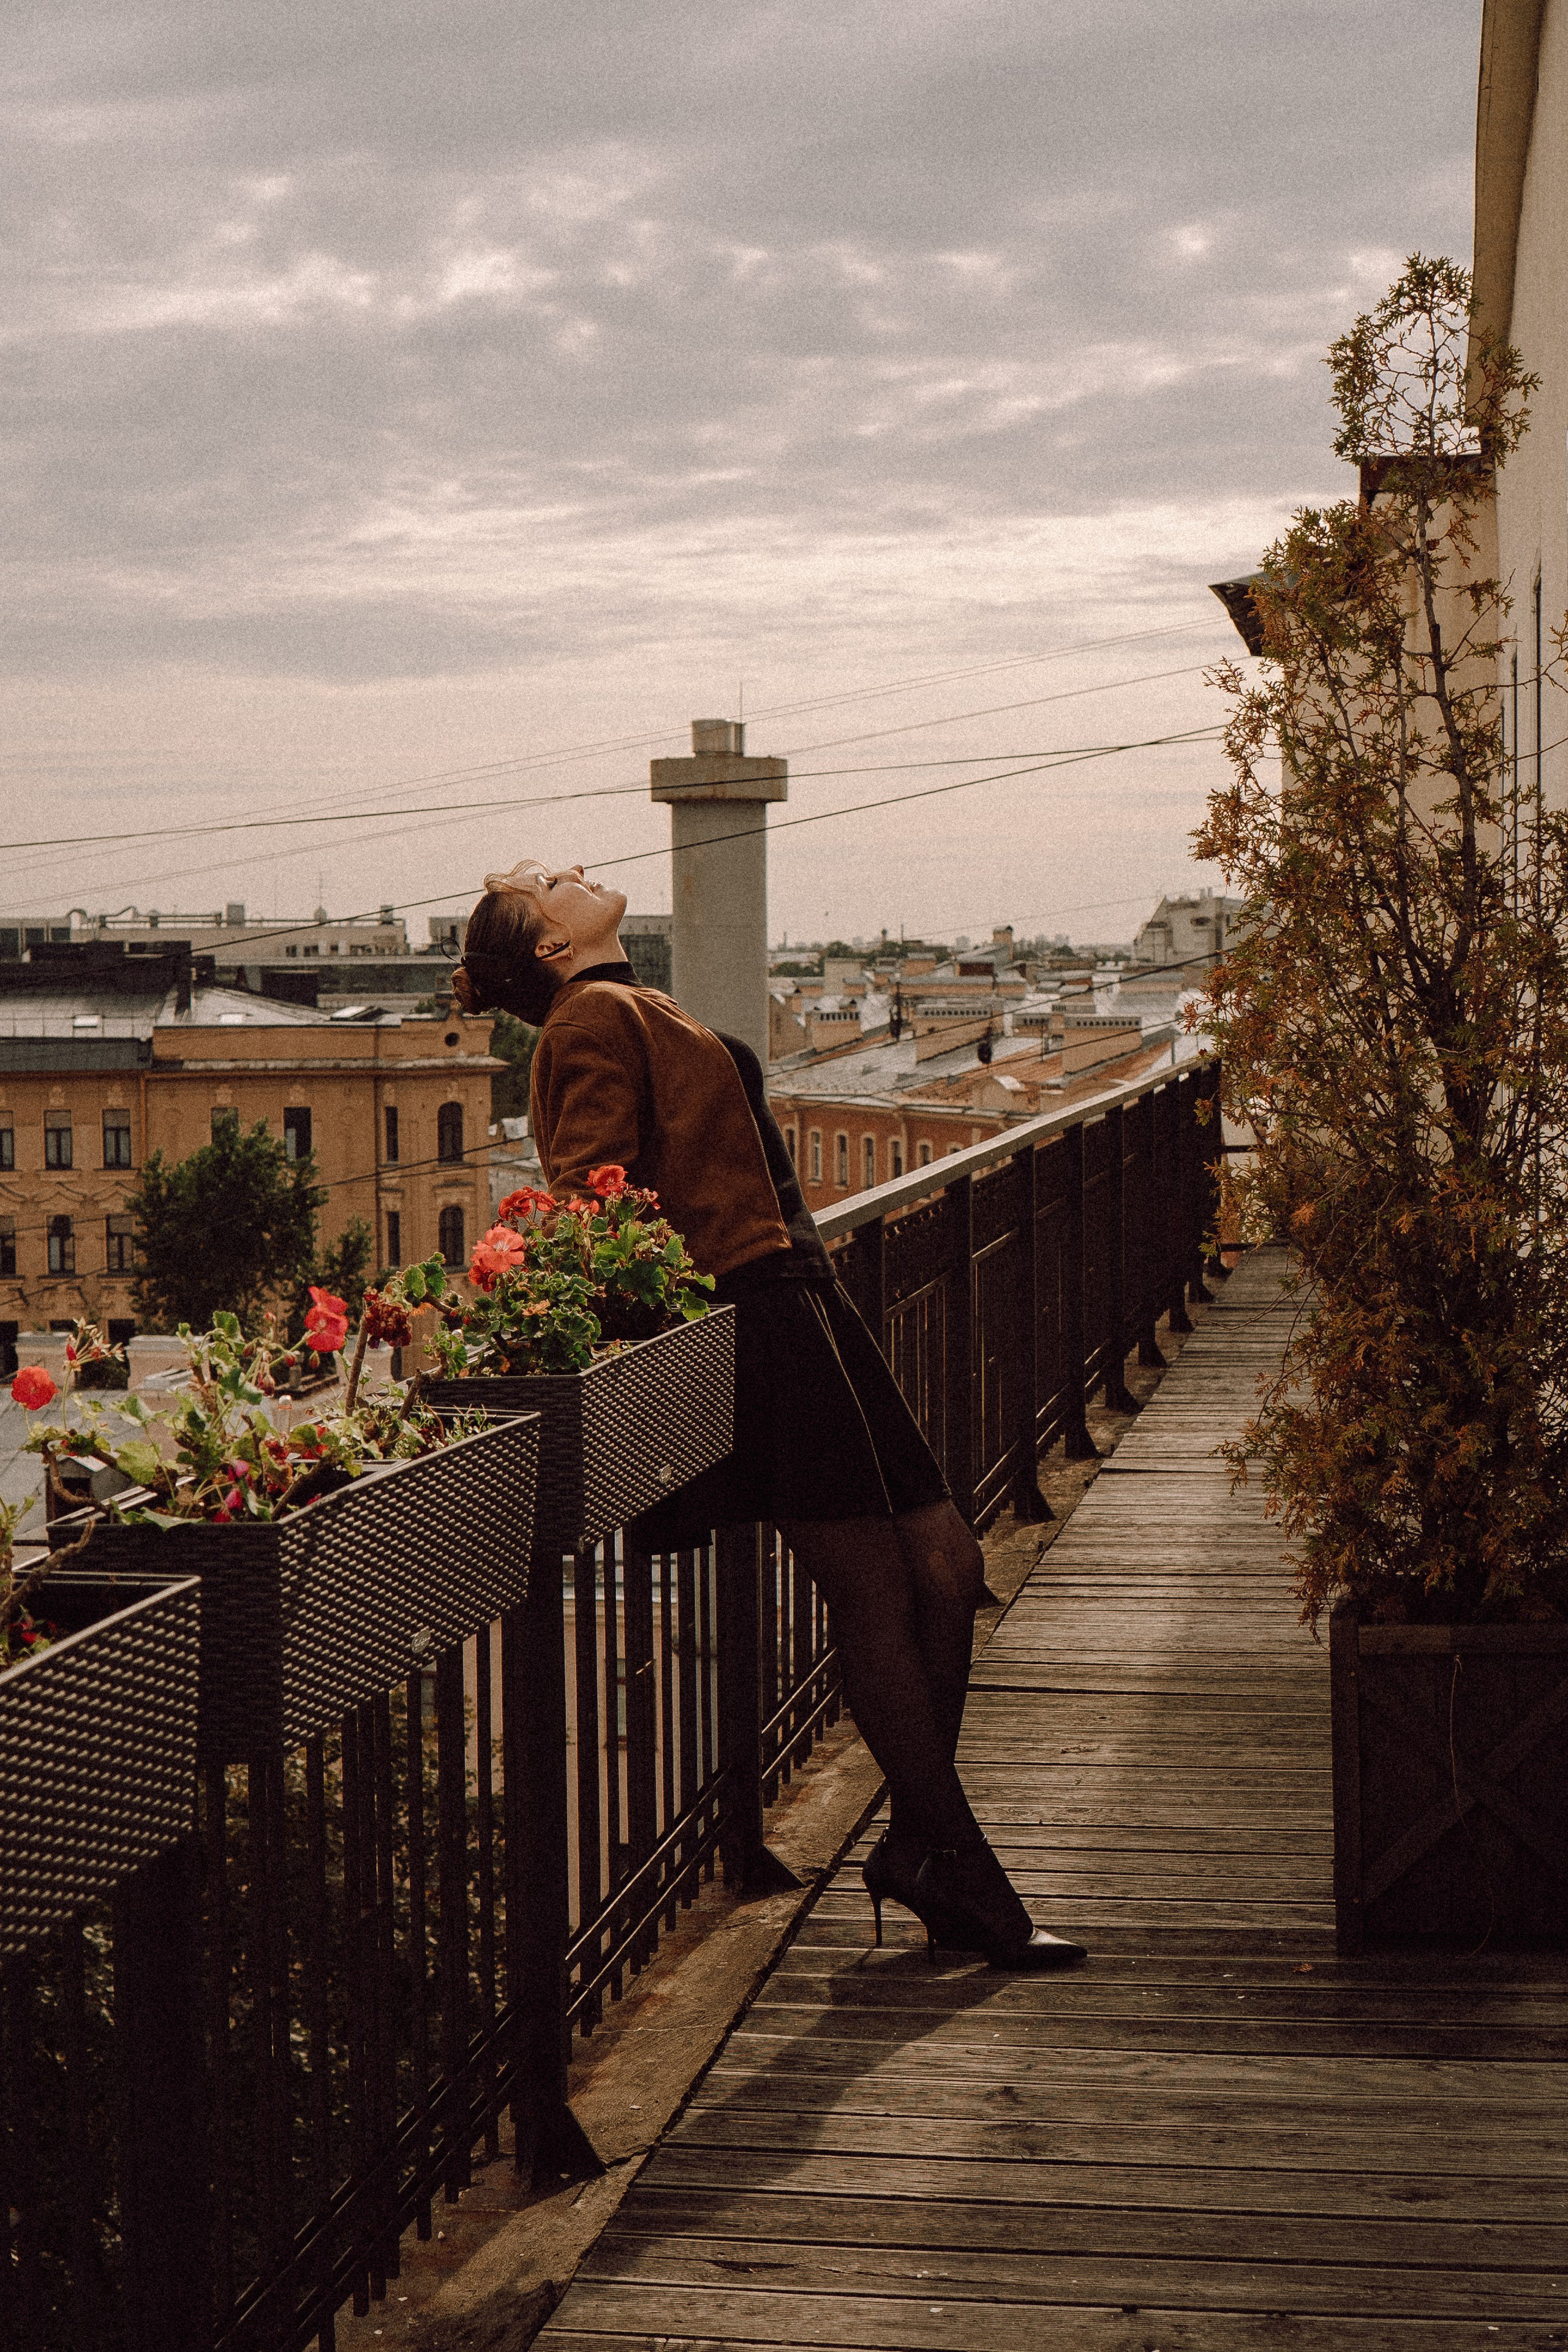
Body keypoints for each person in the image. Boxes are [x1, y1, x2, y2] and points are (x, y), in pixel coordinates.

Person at [452, 859, 1085, 1970]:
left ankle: (914, 1847)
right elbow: (590, 1193)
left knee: (943, 1563)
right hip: (754, 1315)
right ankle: (965, 1872)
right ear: (551, 947)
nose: (569, 872)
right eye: (547, 884)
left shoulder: (630, 999)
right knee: (881, 1587)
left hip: (803, 1298)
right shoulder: (589, 1017)